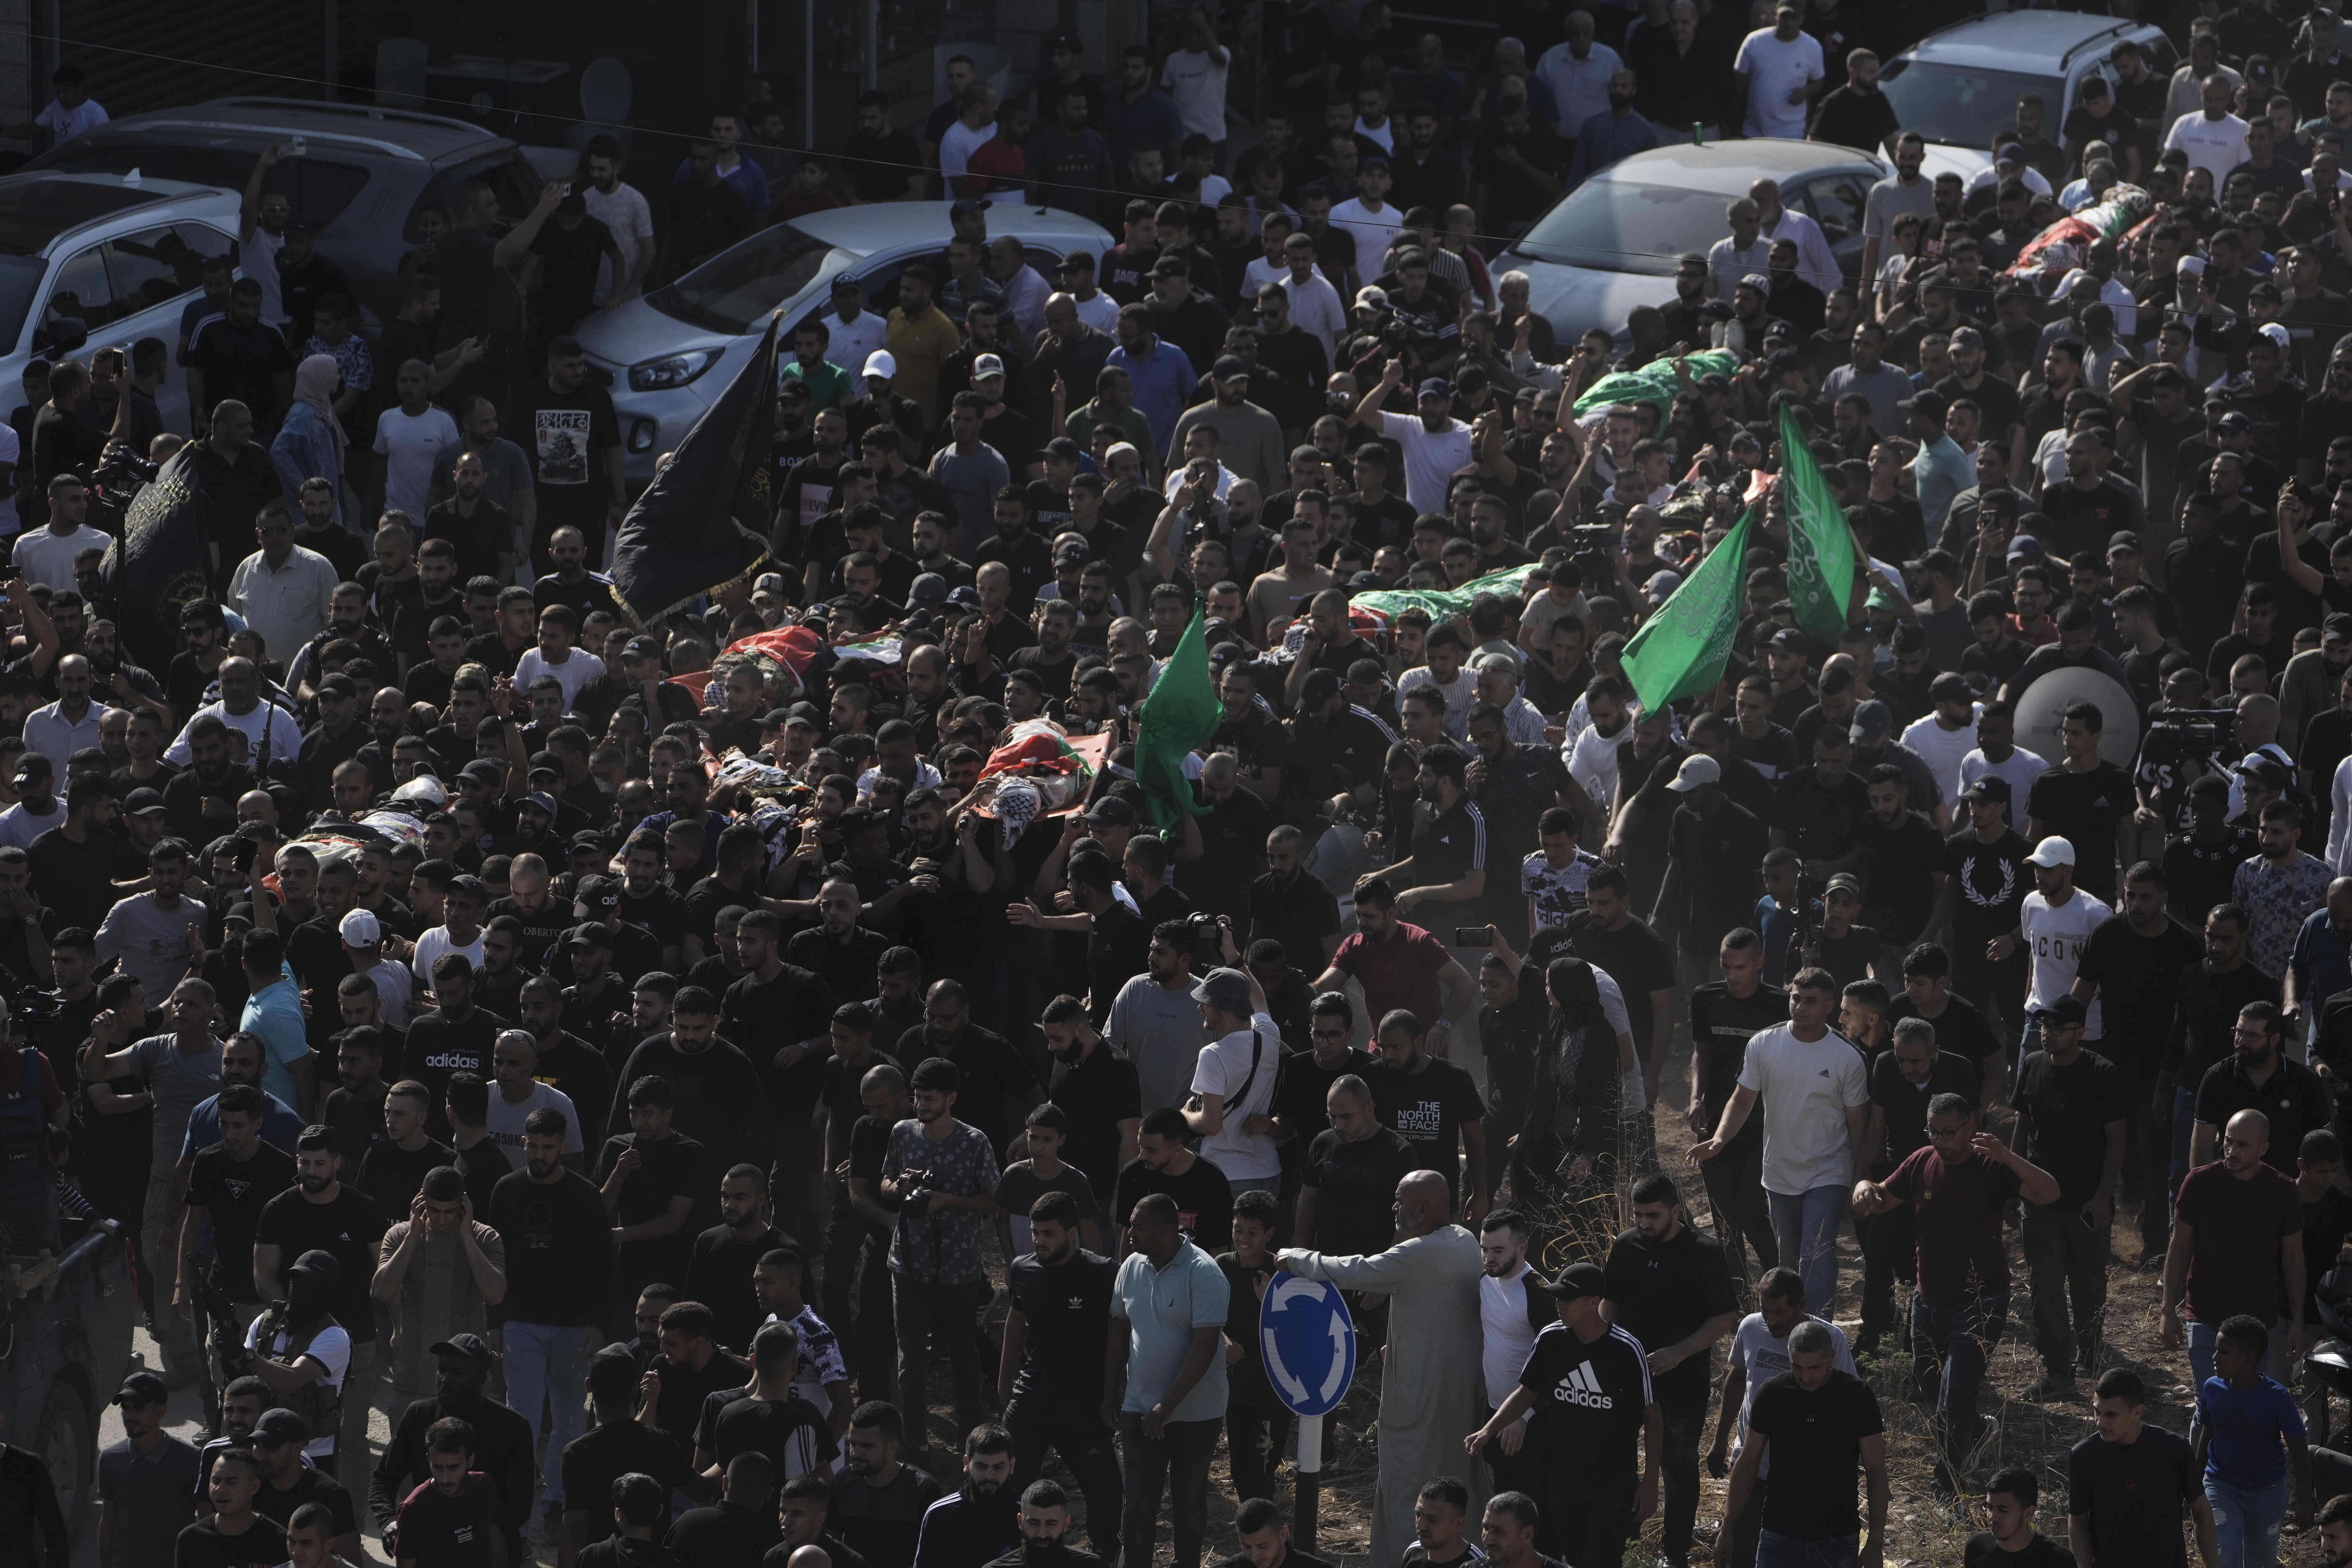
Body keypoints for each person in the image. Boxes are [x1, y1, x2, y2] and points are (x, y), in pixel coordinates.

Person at [1277, 1169, 1484, 1567]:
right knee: (1457, 1493)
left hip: (1418, 1407)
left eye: (1399, 1199)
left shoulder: (1413, 1255)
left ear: (1421, 1210)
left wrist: (1299, 1257)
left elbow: (1355, 1270)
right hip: (1458, 1402)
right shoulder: (1464, 1241)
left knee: (1411, 1496)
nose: (1394, 1207)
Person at [1852, 1091, 2058, 1485]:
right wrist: (1864, 1187)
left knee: (1955, 1394)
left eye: (1950, 1133)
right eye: (1935, 1132)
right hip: (1927, 1301)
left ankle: (1947, 1486)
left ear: (1970, 1127)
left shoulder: (1992, 1166)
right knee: (1930, 1387)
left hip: (1981, 1301)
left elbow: (2050, 1193)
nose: (1942, 1142)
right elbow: (1880, 1198)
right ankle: (1977, 1430)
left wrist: (2010, 1157)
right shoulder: (1920, 1162)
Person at [1689, 967, 1868, 1315]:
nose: (1801, 1007)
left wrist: (1857, 1176)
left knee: (1816, 1253)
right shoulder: (1764, 1043)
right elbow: (1742, 1100)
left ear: (1829, 1006)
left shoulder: (1847, 1056)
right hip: (1778, 1171)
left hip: (1829, 1170)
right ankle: (1791, 1329)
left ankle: (1815, 1330)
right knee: (1788, 1258)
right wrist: (1720, 1140)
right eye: (1796, 998)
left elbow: (1858, 1123)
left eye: (1811, 1001)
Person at [1466, 1260, 1658, 1563]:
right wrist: (1489, 1429)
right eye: (1557, 1298)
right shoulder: (1551, 1338)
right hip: (1564, 1477)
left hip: (1612, 1480)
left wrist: (1650, 1482)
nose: (1558, 1305)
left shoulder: (1626, 1349)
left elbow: (1652, 1417)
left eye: (1566, 1300)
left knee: (1601, 1560)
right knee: (1573, 1555)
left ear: (1594, 1303)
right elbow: (1526, 1393)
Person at [1600, 1173, 1739, 1567]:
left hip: (1682, 1378)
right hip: (1629, 1377)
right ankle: (1625, 1544)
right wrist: (1611, 1345)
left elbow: (1723, 1317)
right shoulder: (1626, 1246)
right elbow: (1610, 1301)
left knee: (1678, 1463)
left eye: (1653, 1216)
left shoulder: (1704, 1252)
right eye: (1638, 1215)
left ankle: (1675, 1551)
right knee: (1621, 1460)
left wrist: (1679, 1352)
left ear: (1676, 1211)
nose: (1644, 1224)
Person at [882, 1057, 998, 1457]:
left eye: (929, 1099)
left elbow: (993, 1200)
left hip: (958, 1266)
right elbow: (885, 1181)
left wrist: (946, 1200)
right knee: (909, 1361)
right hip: (909, 1264)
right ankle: (915, 1444)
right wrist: (900, 1189)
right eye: (917, 1098)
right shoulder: (902, 1133)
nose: (921, 1106)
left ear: (952, 1098)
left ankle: (973, 1443)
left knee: (964, 1357)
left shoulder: (974, 1142)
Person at [1105, 1191, 1228, 1568]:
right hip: (1140, 1407)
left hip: (1196, 1413)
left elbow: (1204, 1348)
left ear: (1163, 1231)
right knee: (1139, 1501)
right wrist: (1111, 1392)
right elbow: (1119, 1328)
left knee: (1188, 1499)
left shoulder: (1204, 1273)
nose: (1128, 1234)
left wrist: (1168, 1406)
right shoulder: (1131, 1267)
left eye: (1138, 1227)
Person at [996, 1190, 1121, 1562]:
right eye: (1035, 1233)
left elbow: (1119, 1335)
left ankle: (1107, 1554)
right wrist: (1005, 1383)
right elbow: (1015, 1320)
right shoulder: (1023, 1269)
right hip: (1031, 1402)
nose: (1039, 1241)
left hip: (1083, 1407)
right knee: (1004, 1488)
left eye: (1048, 1233)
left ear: (1072, 1234)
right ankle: (1007, 1553)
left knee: (1106, 1493)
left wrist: (1112, 1393)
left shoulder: (1103, 1273)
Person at [1717, 1319, 1887, 1568]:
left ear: (1832, 1356)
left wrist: (1875, 1543)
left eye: (1815, 1368)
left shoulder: (1856, 1397)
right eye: (1798, 1367)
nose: (1806, 1377)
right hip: (1779, 1536)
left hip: (1838, 1538)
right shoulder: (1772, 1394)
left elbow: (1876, 1472)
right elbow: (1748, 1462)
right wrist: (1727, 1528)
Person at [2068, 1367, 2216, 1568]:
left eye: (2112, 1415)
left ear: (2138, 1412)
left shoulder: (2174, 1449)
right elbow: (2078, 1520)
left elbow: (2201, 1511)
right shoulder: (2084, 1456)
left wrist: (2213, 1564)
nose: (2101, 1423)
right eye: (2097, 1412)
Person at [98, 1371, 201, 1568]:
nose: (129, 1416)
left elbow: (207, 1522)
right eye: (125, 1409)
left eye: (138, 1408)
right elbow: (108, 1523)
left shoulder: (191, 1459)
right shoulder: (110, 1459)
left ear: (161, 1412)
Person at [1965, 1467, 2073, 1567]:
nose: (1993, 1516)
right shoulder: (1976, 1548)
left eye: (2003, 1510)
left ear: (2028, 1514)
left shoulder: (2059, 1561)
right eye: (1990, 1507)